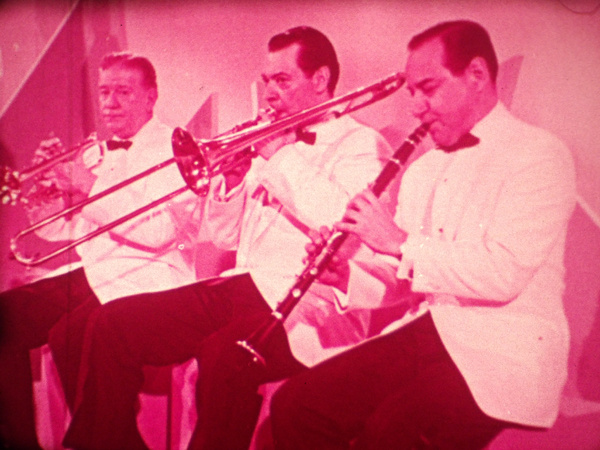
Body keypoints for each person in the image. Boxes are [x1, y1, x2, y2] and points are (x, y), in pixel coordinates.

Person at [62, 26, 393, 450]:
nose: (269, 93)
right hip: (244, 285)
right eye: (267, 80)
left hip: (309, 301)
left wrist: (280, 155)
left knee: (224, 354)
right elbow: (224, 236)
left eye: (282, 80)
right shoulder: (274, 141)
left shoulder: (361, 144)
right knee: (113, 324)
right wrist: (233, 184)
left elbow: (343, 224)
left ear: (321, 80)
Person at [269, 20, 577, 449]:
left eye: (427, 89)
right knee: (296, 404)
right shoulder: (422, 170)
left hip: (505, 352)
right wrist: (345, 274)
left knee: (390, 432)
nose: (415, 107)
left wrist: (398, 242)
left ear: (477, 74)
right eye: (411, 92)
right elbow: (404, 282)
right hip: (429, 333)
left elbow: (503, 273)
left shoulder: (539, 153)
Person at [0, 52, 199, 449]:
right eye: (105, 92)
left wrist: (87, 186)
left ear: (151, 97)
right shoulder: (94, 152)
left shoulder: (176, 147)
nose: (110, 103)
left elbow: (159, 233)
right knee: (5, 316)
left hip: (148, 275)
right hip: (96, 270)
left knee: (70, 334)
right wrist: (47, 194)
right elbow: (67, 231)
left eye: (123, 92)